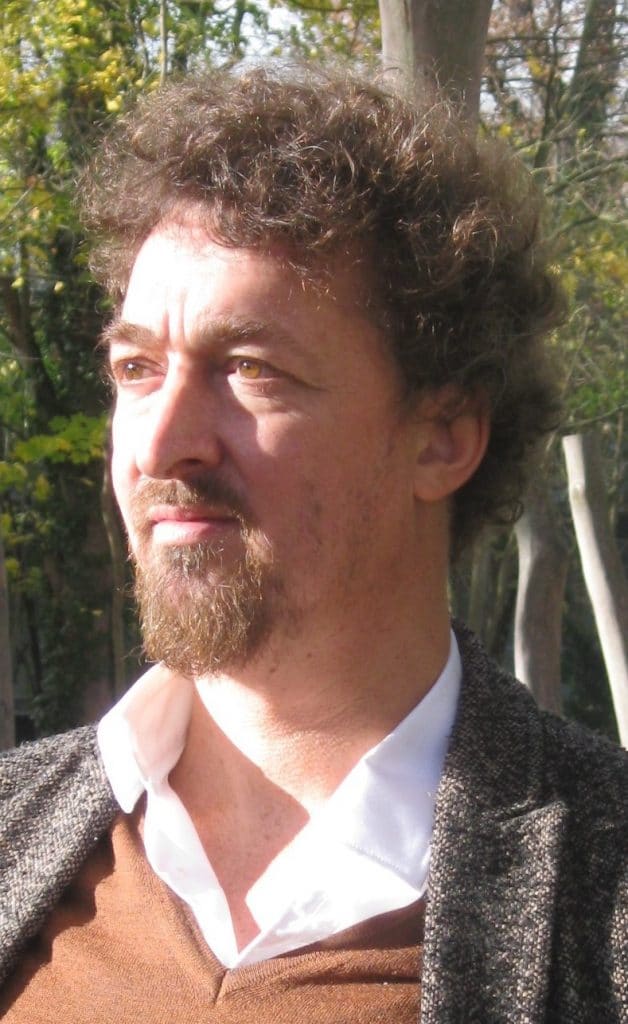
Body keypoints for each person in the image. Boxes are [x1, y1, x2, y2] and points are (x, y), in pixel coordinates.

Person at [1, 64, 626, 1023]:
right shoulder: (16, 829)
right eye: (136, 367)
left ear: (442, 435)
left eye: (250, 369)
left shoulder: (602, 889)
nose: (160, 444)